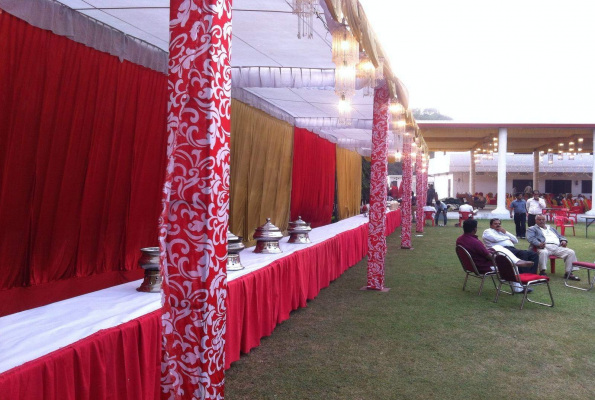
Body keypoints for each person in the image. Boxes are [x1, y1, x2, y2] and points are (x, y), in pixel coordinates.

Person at [456, 219, 534, 293]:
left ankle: (517, 261)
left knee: (498, 247)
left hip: (471, 265)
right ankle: (518, 288)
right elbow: (489, 257)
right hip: (483, 267)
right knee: (511, 264)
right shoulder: (475, 242)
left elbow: (481, 252)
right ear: (475, 229)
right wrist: (502, 259)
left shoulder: (460, 239)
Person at [527, 215, 580, 281]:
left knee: (570, 252)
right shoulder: (532, 229)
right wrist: (539, 244)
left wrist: (563, 240)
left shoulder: (551, 228)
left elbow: (560, 236)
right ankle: (542, 272)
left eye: (543, 219)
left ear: (545, 220)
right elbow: (531, 238)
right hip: (543, 247)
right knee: (543, 252)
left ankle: (568, 273)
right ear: (535, 221)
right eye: (539, 220)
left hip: (556, 247)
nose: (541, 221)